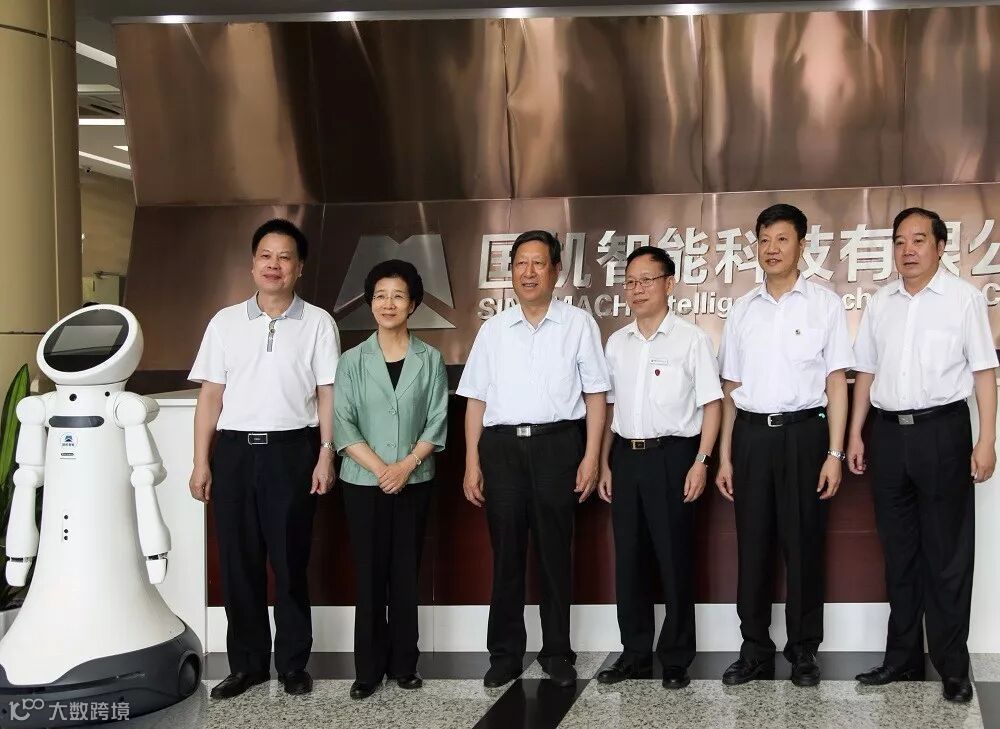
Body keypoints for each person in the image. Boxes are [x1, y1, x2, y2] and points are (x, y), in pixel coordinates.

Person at [848, 207, 998, 703]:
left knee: (947, 555)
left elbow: (983, 372)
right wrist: (856, 434)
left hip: (942, 432)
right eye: (899, 241)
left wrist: (986, 440)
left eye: (918, 240)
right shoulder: (881, 302)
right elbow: (866, 373)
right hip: (888, 434)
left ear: (940, 247)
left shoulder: (963, 299)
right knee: (899, 554)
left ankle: (953, 667)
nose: (907, 250)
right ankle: (902, 659)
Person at [188, 218, 340, 699]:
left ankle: (293, 664)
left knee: (290, 562)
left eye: (284, 257)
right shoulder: (225, 322)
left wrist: (326, 453)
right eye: (266, 256)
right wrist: (201, 460)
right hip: (234, 453)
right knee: (239, 563)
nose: (274, 265)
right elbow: (211, 396)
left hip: (293, 452)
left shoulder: (318, 322)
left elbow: (328, 393)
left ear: (300, 268)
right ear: (253, 264)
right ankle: (247, 665)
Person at [457, 230, 610, 689]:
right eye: (520, 263)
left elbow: (596, 396)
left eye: (538, 263)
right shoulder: (494, 329)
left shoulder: (578, 324)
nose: (528, 272)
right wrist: (471, 462)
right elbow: (476, 400)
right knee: (506, 555)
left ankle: (557, 652)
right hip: (501, 449)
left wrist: (591, 457)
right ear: (510, 271)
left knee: (554, 555)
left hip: (558, 447)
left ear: (556, 271)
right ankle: (504, 654)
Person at [715, 204, 853, 687]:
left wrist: (834, 453)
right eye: (764, 240)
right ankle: (754, 649)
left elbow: (836, 382)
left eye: (782, 239)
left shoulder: (825, 305)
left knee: (804, 545)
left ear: (802, 246)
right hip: (751, 436)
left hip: (805, 435)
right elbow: (731, 388)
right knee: (753, 547)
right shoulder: (742, 310)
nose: (771, 249)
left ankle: (803, 651)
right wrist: (725, 455)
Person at [595, 246, 722, 689]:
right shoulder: (617, 342)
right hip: (626, 457)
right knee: (629, 561)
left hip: (674, 456)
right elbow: (611, 408)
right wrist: (605, 463)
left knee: (673, 558)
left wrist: (702, 461)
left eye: (646, 280)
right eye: (630, 282)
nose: (637, 289)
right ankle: (634, 654)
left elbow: (711, 404)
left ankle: (675, 658)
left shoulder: (691, 339)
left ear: (669, 284)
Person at [334, 260, 448, 701]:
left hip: (415, 482)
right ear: (370, 303)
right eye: (380, 295)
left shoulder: (430, 359)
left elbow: (437, 421)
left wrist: (405, 467)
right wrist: (383, 469)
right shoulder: (351, 360)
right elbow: (343, 425)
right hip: (362, 483)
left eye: (398, 296)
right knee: (369, 575)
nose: (388, 303)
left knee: (405, 573)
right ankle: (367, 670)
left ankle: (404, 665)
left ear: (413, 303)